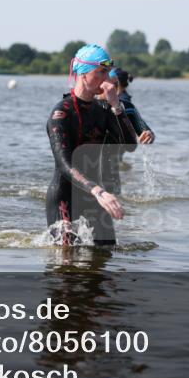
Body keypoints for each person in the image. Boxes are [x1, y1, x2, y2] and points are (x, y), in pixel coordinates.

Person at [46, 44, 137, 246]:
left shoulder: (104, 109)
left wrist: (116, 106)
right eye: (101, 72)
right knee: (67, 267)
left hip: (95, 197)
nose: (107, 80)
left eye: (108, 73)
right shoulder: (61, 113)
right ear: (83, 74)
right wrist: (99, 191)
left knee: (106, 256)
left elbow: (130, 145)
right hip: (65, 197)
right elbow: (64, 163)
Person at [113, 69, 155, 144]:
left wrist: (148, 134)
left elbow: (144, 129)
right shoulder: (93, 104)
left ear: (117, 83)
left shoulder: (127, 105)